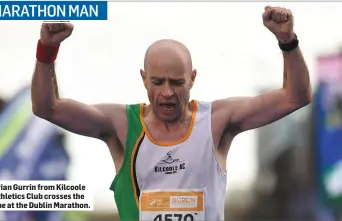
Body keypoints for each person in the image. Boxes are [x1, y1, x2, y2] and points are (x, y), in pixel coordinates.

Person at [31, 6, 311, 221]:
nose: (167, 92)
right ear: (143, 79)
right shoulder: (122, 125)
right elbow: (47, 107)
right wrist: (47, 50)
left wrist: (287, 41)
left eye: (177, 83)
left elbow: (295, 97)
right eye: (157, 82)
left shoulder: (216, 121)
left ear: (192, 79)